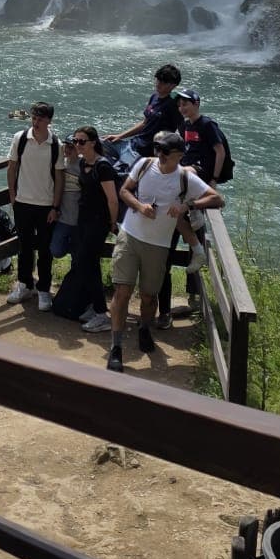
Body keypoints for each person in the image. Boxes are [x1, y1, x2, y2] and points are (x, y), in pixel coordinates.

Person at [107, 133, 220, 373]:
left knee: (149, 296)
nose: (160, 155)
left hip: (158, 245)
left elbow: (217, 198)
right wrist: (139, 206)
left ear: (178, 155)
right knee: (122, 291)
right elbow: (125, 191)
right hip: (130, 235)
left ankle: (144, 329)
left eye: (166, 152)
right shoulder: (144, 164)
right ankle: (116, 348)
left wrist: (188, 205)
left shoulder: (184, 178)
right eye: (159, 150)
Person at [159, 86, 227, 323]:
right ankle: (193, 211)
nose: (182, 107)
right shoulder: (184, 126)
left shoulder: (207, 125)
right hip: (188, 175)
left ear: (196, 103)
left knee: (181, 175)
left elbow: (219, 151)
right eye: (179, 105)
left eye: (186, 103)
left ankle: (194, 300)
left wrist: (214, 180)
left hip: (199, 171)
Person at [50, 129, 117, 331]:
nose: (77, 145)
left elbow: (112, 199)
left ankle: (100, 313)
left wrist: (112, 224)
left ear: (93, 142)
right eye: (76, 141)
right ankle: (94, 307)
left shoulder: (102, 166)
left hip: (98, 222)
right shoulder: (82, 163)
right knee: (87, 264)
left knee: (89, 264)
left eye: (82, 141)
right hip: (83, 220)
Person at [5, 101, 63, 310]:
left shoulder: (56, 145)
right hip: (23, 202)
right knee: (24, 247)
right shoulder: (20, 139)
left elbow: (59, 177)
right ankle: (25, 284)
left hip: (46, 205)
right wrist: (13, 196)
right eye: (33, 118)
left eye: (40, 119)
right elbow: (11, 168)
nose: (36, 122)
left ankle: (44, 290)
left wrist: (55, 207)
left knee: (46, 250)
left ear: (49, 120)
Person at [108, 64, 181, 149]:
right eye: (158, 79)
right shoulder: (154, 97)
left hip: (151, 148)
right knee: (102, 143)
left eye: (163, 82)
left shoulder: (175, 104)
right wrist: (120, 136)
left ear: (173, 85)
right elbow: (145, 123)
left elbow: (182, 127)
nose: (158, 83)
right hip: (137, 142)